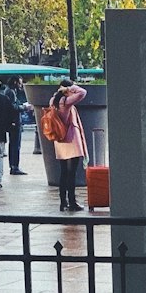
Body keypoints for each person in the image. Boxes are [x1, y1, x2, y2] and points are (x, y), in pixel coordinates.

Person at [51, 81, 88, 212]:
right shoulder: (66, 102)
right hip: (71, 140)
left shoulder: (53, 101)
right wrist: (72, 87)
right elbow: (83, 92)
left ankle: (63, 202)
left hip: (59, 140)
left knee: (63, 172)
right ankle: (72, 201)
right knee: (72, 173)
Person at [7, 77, 27, 173]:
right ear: (15, 82)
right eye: (20, 83)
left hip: (13, 121)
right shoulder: (11, 92)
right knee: (15, 144)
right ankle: (14, 166)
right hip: (15, 122)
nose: (21, 85)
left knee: (13, 144)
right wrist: (24, 107)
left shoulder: (11, 91)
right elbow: (13, 107)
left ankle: (13, 165)